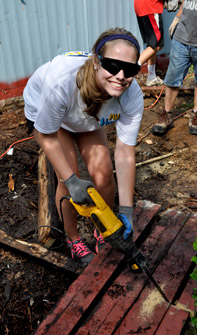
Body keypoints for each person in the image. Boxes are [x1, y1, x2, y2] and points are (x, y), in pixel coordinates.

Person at [23, 27, 144, 264]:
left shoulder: (132, 95)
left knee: (104, 174)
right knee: (70, 181)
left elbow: (125, 153)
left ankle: (104, 229)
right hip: (50, 115)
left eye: (129, 69)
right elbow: (47, 137)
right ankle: (73, 238)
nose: (120, 75)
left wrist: (126, 210)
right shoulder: (61, 83)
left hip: (85, 115)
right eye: (112, 65)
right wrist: (70, 180)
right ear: (96, 60)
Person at [152, 0, 197, 136]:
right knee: (173, 77)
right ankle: (166, 114)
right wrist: (178, 17)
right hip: (182, 38)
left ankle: (196, 114)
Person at [134, 0, 167, 86]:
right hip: (151, 7)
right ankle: (131, 68)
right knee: (157, 44)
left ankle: (152, 76)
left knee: (152, 44)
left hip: (141, 6)